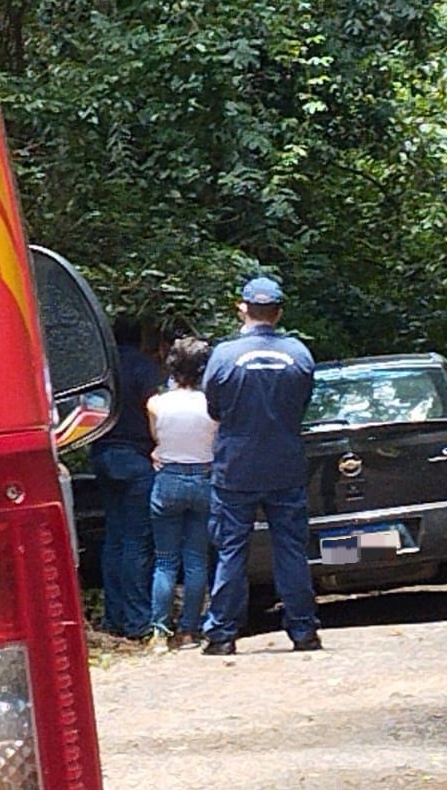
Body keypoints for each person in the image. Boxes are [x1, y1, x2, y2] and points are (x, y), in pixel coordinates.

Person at [199, 277, 319, 656]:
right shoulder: (299, 354)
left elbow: (214, 408)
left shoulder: (223, 355)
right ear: (279, 312)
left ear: (243, 308)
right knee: (291, 549)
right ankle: (303, 631)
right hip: (285, 464)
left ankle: (221, 635)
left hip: (236, 467)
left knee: (232, 549)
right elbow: (301, 404)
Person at [90, 316, 164, 639]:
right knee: (136, 540)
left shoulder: (99, 367)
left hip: (103, 454)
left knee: (114, 538)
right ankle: (137, 621)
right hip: (136, 458)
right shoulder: (145, 368)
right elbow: (155, 410)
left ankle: (114, 617)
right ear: (141, 338)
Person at [145, 336, 218, 650]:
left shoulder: (156, 403)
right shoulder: (212, 405)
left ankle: (159, 632)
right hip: (203, 477)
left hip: (168, 478)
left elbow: (156, 441)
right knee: (196, 560)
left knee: (164, 561)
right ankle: (190, 630)